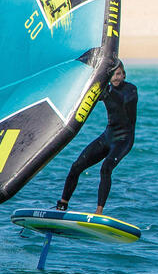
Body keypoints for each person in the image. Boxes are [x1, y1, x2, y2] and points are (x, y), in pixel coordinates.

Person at [56, 60, 137, 215]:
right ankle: (62, 204)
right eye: (112, 74)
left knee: (106, 168)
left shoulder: (131, 90)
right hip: (108, 136)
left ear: (124, 74)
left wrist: (107, 91)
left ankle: (98, 212)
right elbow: (85, 97)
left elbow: (125, 101)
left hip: (124, 140)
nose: (116, 78)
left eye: (119, 74)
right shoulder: (106, 89)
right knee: (76, 166)